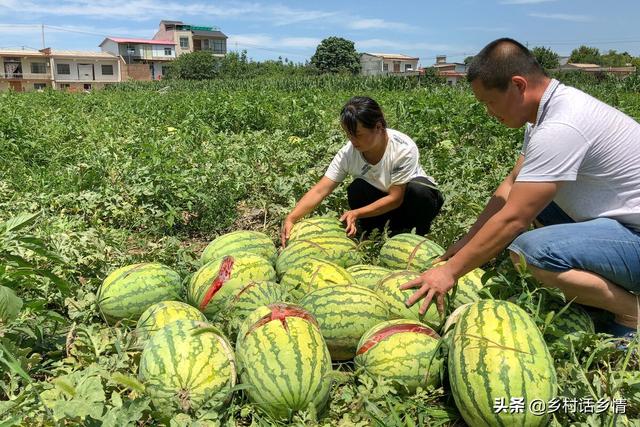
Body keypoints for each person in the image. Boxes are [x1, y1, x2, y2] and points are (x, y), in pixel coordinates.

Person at [401, 38, 640, 339]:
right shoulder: (543, 115)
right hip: (621, 225)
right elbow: (512, 185)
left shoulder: (562, 126)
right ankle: (598, 292)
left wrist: (448, 273)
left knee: (528, 253)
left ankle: (631, 312)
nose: (489, 112)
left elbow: (515, 218)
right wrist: (469, 240)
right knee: (536, 201)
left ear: (517, 85)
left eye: (490, 101)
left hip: (635, 238)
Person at [281, 96, 443, 246]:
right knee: (357, 188)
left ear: (378, 127)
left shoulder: (403, 148)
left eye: (357, 134)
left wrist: (356, 213)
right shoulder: (348, 153)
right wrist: (292, 217)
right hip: (381, 204)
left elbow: (395, 198)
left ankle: (417, 234)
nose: (352, 140)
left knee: (420, 191)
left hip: (410, 203)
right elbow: (320, 190)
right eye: (348, 134)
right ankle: (375, 234)